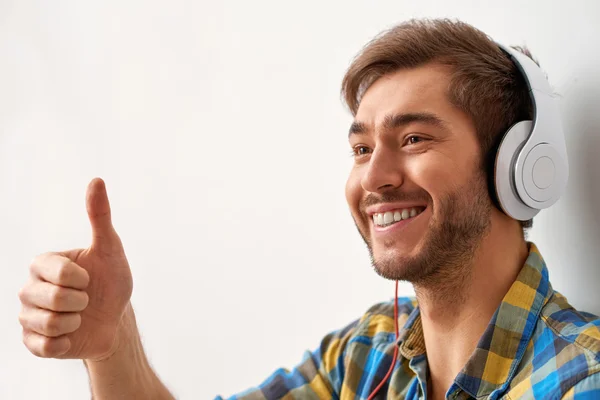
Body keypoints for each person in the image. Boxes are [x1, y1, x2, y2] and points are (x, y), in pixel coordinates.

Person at [17, 18, 600, 400]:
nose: (372, 177)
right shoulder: (364, 354)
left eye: (415, 139)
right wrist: (113, 345)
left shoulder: (581, 380)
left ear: (521, 165)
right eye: (362, 149)